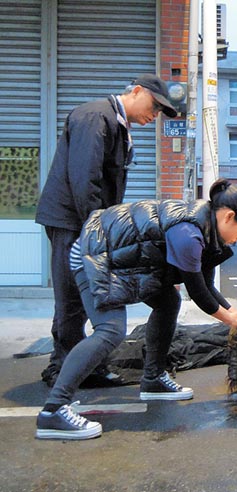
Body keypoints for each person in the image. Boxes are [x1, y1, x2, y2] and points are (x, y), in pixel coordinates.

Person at [35, 179, 237, 440]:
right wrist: (230, 319)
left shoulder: (209, 231)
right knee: (110, 330)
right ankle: (53, 411)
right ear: (229, 216)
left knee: (168, 302)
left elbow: (206, 284)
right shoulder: (189, 233)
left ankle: (153, 378)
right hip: (95, 253)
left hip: (125, 258)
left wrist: (232, 311)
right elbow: (198, 292)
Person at [35, 74, 178, 388]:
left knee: (89, 293)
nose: (154, 116)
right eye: (154, 107)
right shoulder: (95, 116)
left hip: (86, 222)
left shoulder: (117, 123)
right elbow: (84, 179)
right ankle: (64, 368)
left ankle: (85, 367)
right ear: (137, 91)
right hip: (72, 221)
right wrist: (96, 230)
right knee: (72, 295)